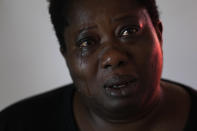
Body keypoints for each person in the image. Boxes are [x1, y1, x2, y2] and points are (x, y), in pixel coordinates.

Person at [0, 0, 197, 130]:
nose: (113, 57)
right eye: (86, 42)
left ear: (159, 34)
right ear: (66, 56)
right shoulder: (15, 124)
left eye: (128, 31)